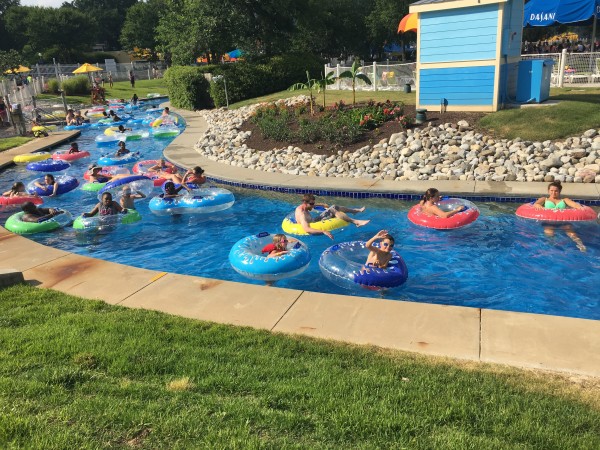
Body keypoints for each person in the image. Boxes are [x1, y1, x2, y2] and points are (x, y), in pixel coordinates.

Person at [534, 181, 586, 252]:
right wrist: (540, 207)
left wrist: (580, 207)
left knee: (570, 231)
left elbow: (574, 205)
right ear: (548, 191)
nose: (553, 192)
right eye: (551, 190)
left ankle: (580, 245)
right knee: (549, 232)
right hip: (549, 222)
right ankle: (552, 249)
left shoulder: (564, 200)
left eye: (556, 191)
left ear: (559, 191)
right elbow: (536, 204)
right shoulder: (544, 199)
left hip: (562, 222)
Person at [294, 193, 369, 239]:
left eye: (314, 203)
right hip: (315, 225)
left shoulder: (304, 206)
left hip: (314, 220)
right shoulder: (302, 214)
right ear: (305, 203)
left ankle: (355, 211)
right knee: (333, 210)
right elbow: (307, 229)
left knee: (334, 206)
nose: (313, 206)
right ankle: (356, 222)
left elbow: (311, 205)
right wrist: (323, 231)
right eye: (311, 204)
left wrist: (321, 204)